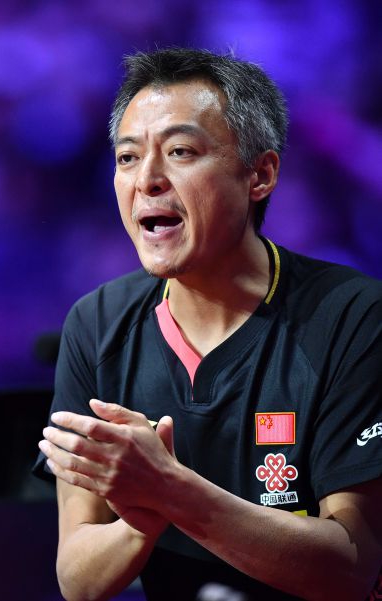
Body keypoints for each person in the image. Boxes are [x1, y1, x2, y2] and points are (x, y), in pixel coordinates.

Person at [34, 48, 382, 601]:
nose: (147, 179)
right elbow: (78, 579)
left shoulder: (353, 316)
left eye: (181, 151)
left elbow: (351, 568)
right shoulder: (96, 323)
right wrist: (142, 518)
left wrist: (170, 490)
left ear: (260, 175)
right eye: (127, 157)